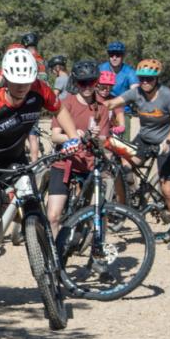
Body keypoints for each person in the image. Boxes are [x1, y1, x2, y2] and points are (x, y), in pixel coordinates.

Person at [105, 58, 170, 249]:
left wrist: (168, 142)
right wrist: (95, 104)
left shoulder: (167, 96)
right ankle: (129, 202)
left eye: (149, 79)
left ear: (157, 79)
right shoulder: (136, 92)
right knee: (122, 165)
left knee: (168, 190)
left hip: (168, 143)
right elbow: (113, 103)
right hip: (144, 139)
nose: (145, 82)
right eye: (142, 78)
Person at [0, 47, 81, 169]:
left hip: (18, 158)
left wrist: (73, 137)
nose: (22, 87)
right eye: (16, 81)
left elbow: (59, 109)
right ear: (6, 78)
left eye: (27, 82)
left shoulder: (40, 89)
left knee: (30, 186)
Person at [45, 61, 119, 236]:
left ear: (96, 83)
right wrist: (75, 135)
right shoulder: (65, 104)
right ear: (75, 83)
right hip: (64, 163)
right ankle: (54, 257)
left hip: (89, 165)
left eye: (91, 82)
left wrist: (96, 138)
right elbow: (55, 136)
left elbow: (104, 140)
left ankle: (97, 251)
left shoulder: (101, 108)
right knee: (53, 216)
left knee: (98, 213)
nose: (87, 87)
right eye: (82, 83)